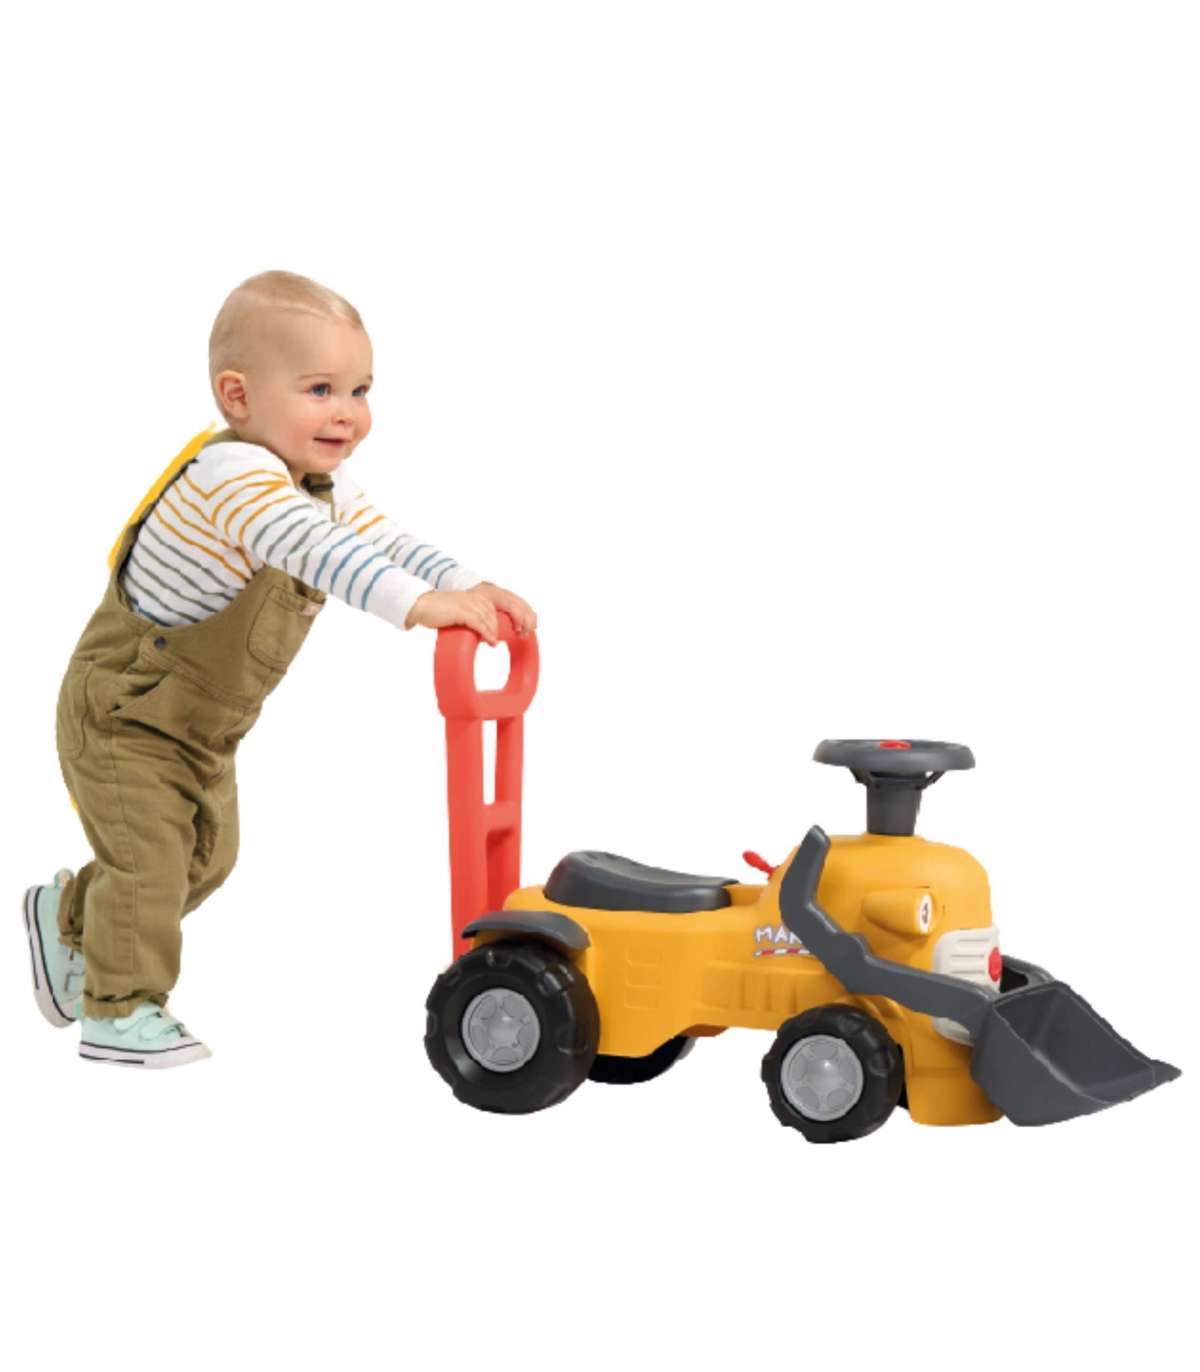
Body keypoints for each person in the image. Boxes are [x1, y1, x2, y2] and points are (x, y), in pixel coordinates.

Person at [23, 270, 536, 1068]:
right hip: (125, 711)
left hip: (201, 729)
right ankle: (118, 1011)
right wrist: (420, 607)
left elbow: (382, 538)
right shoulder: (233, 478)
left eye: (361, 389)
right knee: (151, 867)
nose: (347, 412)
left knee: (204, 861)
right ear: (237, 395)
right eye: (320, 389)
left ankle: (69, 919)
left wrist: (469, 585)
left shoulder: (317, 486)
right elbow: (316, 549)